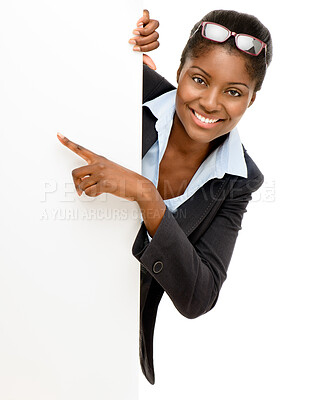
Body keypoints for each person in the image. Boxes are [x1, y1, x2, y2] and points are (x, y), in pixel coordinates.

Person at [57, 9, 273, 385]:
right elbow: (61, 41)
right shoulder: (134, 88)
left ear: (251, 100)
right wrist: (121, 37)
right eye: (199, 79)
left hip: (108, 339)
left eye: (234, 92)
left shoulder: (240, 180)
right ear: (178, 73)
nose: (210, 102)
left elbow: (198, 296)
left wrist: (147, 196)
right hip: (46, 276)